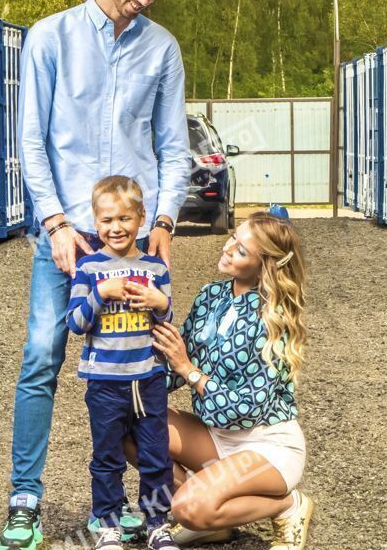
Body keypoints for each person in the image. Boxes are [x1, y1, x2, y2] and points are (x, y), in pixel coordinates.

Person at [0, 0, 190, 550]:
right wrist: (54, 223)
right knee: (42, 356)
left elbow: (174, 149)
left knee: (143, 369)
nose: (143, 0)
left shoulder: (162, 50)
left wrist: (162, 222)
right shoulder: (50, 37)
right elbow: (32, 140)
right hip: (69, 239)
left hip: (135, 244)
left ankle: (133, 507)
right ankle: (25, 501)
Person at [150, 212, 313, 550]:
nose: (226, 249)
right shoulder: (211, 296)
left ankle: (288, 505)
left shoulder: (274, 319)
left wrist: (190, 371)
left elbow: (245, 410)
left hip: (266, 444)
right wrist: (123, 381)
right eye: (232, 239)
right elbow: (176, 361)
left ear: (263, 265)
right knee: (129, 420)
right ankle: (213, 520)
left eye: (240, 250)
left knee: (187, 508)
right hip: (216, 437)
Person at [66, 176, 178, 550]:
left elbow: (167, 318)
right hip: (104, 382)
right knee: (107, 458)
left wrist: (159, 303)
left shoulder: (155, 270)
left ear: (141, 218)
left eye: (125, 219)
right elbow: (76, 324)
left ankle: (158, 523)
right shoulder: (88, 269)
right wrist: (100, 293)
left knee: (155, 455)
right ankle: (109, 526)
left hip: (148, 377)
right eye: (107, 220)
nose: (116, 228)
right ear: (95, 222)